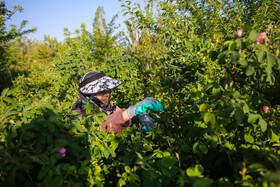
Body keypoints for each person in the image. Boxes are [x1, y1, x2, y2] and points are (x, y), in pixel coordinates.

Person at [71, 71, 163, 133]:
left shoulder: (106, 106)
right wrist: (132, 110)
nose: (107, 94)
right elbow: (103, 127)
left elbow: (119, 114)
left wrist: (140, 115)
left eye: (108, 90)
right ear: (89, 94)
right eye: (101, 91)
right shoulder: (80, 109)